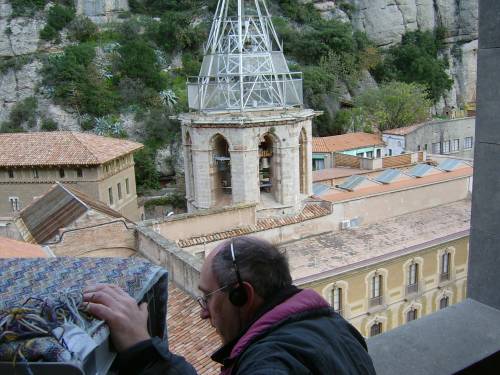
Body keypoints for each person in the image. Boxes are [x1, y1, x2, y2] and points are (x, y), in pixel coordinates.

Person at [83, 236, 376, 374]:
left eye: (208, 297)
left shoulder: (270, 361)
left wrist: (143, 352)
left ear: (241, 295)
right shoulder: (337, 328)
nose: (202, 311)